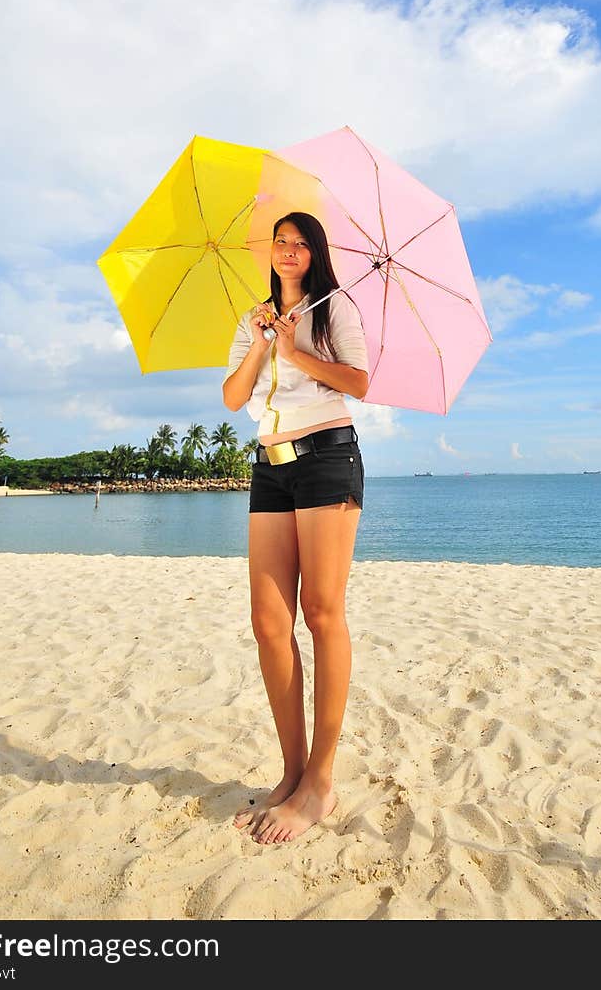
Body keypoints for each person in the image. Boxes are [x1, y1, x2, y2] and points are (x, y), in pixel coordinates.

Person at [223, 211, 369, 844]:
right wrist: (261, 340)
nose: (287, 251)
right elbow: (233, 399)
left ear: (315, 254)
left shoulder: (336, 310)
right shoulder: (252, 317)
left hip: (329, 458)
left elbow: (360, 383)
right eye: (280, 242)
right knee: (267, 621)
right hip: (270, 466)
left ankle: (322, 781)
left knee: (322, 612)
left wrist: (296, 349)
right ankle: (291, 771)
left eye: (299, 243)